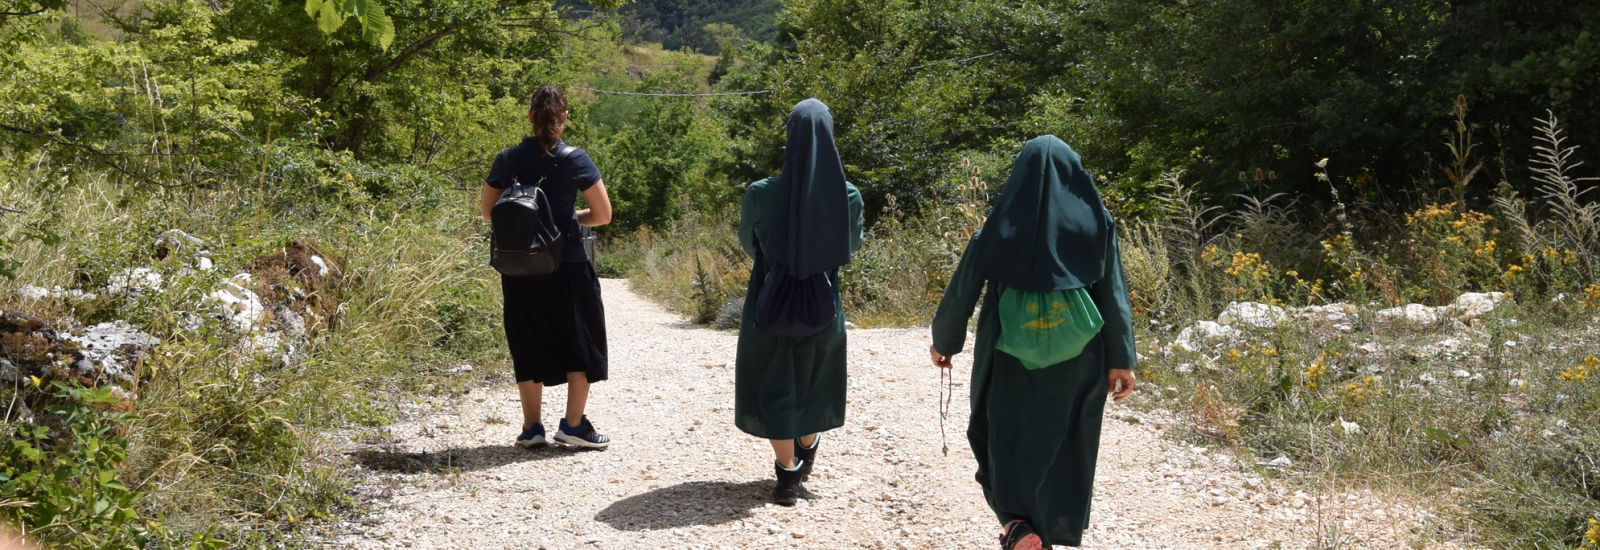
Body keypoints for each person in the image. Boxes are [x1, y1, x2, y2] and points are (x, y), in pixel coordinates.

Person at [929, 135, 1137, 549]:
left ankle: (1017, 523)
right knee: (1068, 436)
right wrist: (1121, 359)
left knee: (999, 432)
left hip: (1008, 353)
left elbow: (965, 285)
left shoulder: (1003, 223)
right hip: (1080, 357)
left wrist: (946, 341)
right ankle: (1052, 523)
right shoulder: (1097, 222)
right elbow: (1112, 292)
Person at [734, 98, 865, 505]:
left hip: (769, 299)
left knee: (775, 381)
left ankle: (787, 475)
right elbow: (852, 246)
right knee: (815, 380)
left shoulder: (760, 193)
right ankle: (807, 447)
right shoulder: (848, 196)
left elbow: (748, 243)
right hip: (823, 303)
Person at [479, 85, 614, 450]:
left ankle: (531, 428)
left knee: (526, 340)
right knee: (580, 340)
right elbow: (602, 215)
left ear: (530, 117)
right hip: (567, 263)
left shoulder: (506, 158)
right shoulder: (575, 159)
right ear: (564, 118)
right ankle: (572, 426)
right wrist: (568, 218)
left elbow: (489, 211)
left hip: (519, 266)